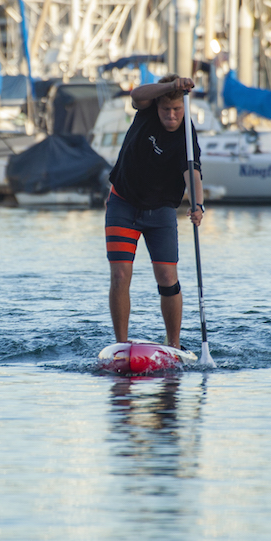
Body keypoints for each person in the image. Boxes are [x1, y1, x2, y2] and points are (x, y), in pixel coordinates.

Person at [105, 74, 204, 350]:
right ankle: (121, 346)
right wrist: (172, 87)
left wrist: (198, 205)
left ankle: (174, 344)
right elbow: (137, 94)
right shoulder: (146, 109)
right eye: (166, 110)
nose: (171, 116)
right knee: (121, 275)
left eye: (177, 110)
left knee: (167, 279)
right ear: (158, 106)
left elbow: (193, 174)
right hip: (123, 204)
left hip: (160, 211)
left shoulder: (187, 133)